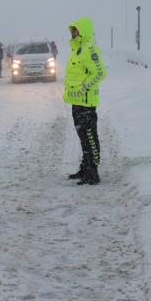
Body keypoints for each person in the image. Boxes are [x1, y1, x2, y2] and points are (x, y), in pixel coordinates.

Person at [63, 17, 106, 185]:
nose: (72, 33)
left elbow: (100, 72)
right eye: (71, 30)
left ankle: (93, 172)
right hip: (77, 102)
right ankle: (85, 168)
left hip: (87, 102)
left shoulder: (88, 49)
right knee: (83, 137)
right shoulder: (76, 49)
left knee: (89, 136)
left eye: (75, 30)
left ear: (82, 31)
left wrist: (84, 87)